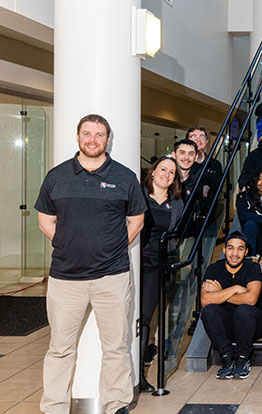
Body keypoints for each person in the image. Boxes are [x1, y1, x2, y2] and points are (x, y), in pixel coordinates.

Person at [35, 114, 147, 414]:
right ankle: (54, 408)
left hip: (112, 277)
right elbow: (45, 218)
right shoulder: (56, 176)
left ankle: (116, 405)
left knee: (116, 347)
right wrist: (68, 241)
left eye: (99, 134)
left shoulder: (125, 177)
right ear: (78, 137)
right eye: (87, 134)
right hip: (65, 279)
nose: (93, 140)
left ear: (108, 139)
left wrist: (112, 244)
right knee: (60, 349)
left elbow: (137, 219)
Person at [138, 156, 183, 392]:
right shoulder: (139, 195)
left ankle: (139, 376)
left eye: (172, 172)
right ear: (153, 172)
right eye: (163, 169)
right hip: (133, 261)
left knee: (145, 318)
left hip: (156, 265)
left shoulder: (176, 203)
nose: (167, 174)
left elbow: (176, 236)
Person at [200, 233, 262, 380]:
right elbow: (205, 300)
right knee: (209, 310)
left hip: (252, 323)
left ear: (246, 252)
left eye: (240, 249)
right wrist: (236, 288)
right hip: (227, 325)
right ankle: (227, 357)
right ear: (224, 250)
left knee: (244, 310)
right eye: (230, 248)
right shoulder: (213, 269)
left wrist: (219, 294)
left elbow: (250, 299)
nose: (235, 253)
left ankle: (242, 359)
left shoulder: (252, 267)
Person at [187, 126, 223, 202]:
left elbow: (217, 186)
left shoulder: (215, 165)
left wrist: (208, 186)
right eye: (193, 136)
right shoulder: (184, 164)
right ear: (187, 141)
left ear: (206, 141)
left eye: (202, 136)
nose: (198, 139)